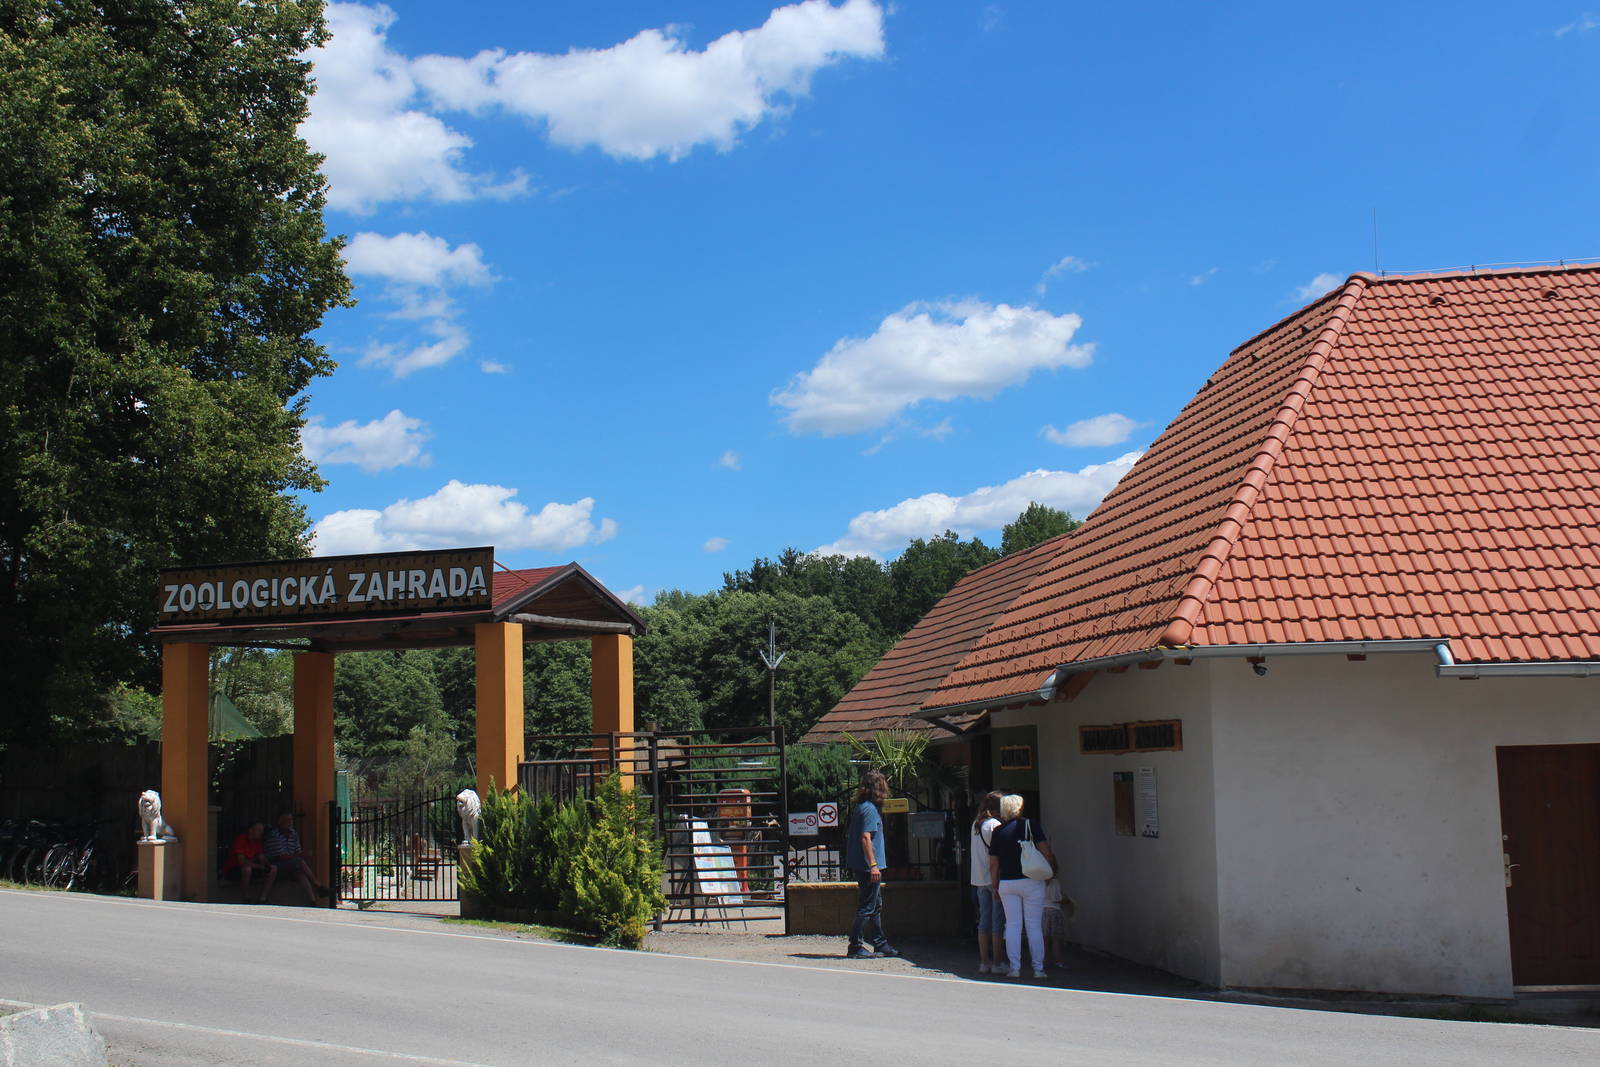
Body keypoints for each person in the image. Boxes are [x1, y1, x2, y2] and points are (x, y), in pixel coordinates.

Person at [987, 794, 1058, 978]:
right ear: (1019, 807)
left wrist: (995, 886)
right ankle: (1038, 968)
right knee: (1034, 925)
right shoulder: (1031, 825)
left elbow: (993, 863)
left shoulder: (998, 832)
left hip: (1007, 883)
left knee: (1012, 925)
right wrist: (1050, 873)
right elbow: (1046, 852)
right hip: (1032, 880)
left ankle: (1014, 967)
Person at [843, 769, 898, 960]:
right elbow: (866, 838)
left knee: (875, 905)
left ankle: (880, 943)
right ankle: (855, 945)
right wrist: (873, 865)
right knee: (867, 907)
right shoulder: (869, 810)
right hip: (868, 867)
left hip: (863, 865)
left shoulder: (862, 807)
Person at [969, 791, 1007, 974]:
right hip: (993, 878)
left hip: (978, 879)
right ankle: (998, 962)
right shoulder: (995, 825)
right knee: (997, 921)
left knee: (984, 920)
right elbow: (996, 857)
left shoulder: (976, 824)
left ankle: (984, 961)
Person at [259, 811, 329, 905]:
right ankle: (317, 885)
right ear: (280, 821)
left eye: (291, 820)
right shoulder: (274, 835)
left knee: (300, 872)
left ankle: (312, 900)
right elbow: (281, 856)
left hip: (290, 864)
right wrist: (303, 855)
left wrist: (300, 856)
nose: (290, 822)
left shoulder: (293, 834)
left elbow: (297, 851)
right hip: (276, 864)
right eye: (287, 820)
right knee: (299, 861)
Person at [221, 822, 271, 900]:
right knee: (247, 869)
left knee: (273, 869)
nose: (261, 832)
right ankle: (246, 897)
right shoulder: (240, 840)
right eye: (259, 830)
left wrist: (268, 866)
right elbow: (242, 862)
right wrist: (260, 866)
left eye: (262, 830)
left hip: (251, 867)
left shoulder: (257, 841)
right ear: (251, 830)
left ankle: (263, 898)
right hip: (233, 870)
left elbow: (262, 857)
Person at [1041, 876, 1069, 969]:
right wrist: (1065, 899)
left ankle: (1043, 961)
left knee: (1044, 939)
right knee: (1055, 939)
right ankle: (1058, 961)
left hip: (1043, 911)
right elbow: (1055, 898)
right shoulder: (1055, 882)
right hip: (1054, 911)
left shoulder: (1039, 882)